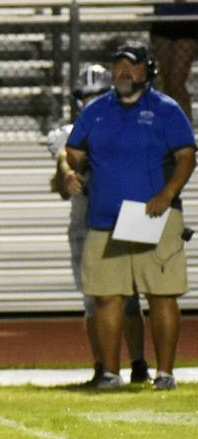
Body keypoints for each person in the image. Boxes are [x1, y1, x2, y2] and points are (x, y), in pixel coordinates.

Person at [66, 41, 196, 390]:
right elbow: (73, 150)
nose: (123, 71)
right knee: (106, 296)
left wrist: (167, 194)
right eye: (118, 65)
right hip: (104, 217)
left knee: (160, 294)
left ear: (147, 70)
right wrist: (70, 170)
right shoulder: (96, 110)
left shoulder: (166, 109)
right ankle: (110, 373)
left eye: (131, 65)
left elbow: (187, 155)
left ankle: (165, 374)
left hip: (152, 214)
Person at [48, 64, 151, 388]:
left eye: (96, 95)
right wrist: (67, 174)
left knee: (131, 296)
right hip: (86, 220)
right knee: (93, 298)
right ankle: (103, 366)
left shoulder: (131, 124)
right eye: (86, 96)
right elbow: (61, 188)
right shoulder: (65, 134)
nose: (90, 102)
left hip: (126, 214)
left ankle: (138, 363)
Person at [148, 0, 198, 121]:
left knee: (176, 82)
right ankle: (169, 125)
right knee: (166, 81)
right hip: (162, 21)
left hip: (189, 22)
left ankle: (187, 126)